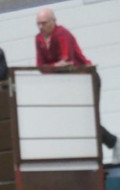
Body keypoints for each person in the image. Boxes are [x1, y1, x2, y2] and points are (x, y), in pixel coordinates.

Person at [35, 7, 119, 164]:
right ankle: (110, 143)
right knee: (75, 120)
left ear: (53, 21)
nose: (40, 27)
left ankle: (112, 144)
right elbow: (40, 67)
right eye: (38, 24)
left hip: (85, 79)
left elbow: (66, 61)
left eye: (44, 23)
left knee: (87, 118)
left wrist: (50, 67)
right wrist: (54, 66)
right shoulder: (38, 39)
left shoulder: (62, 34)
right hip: (67, 84)